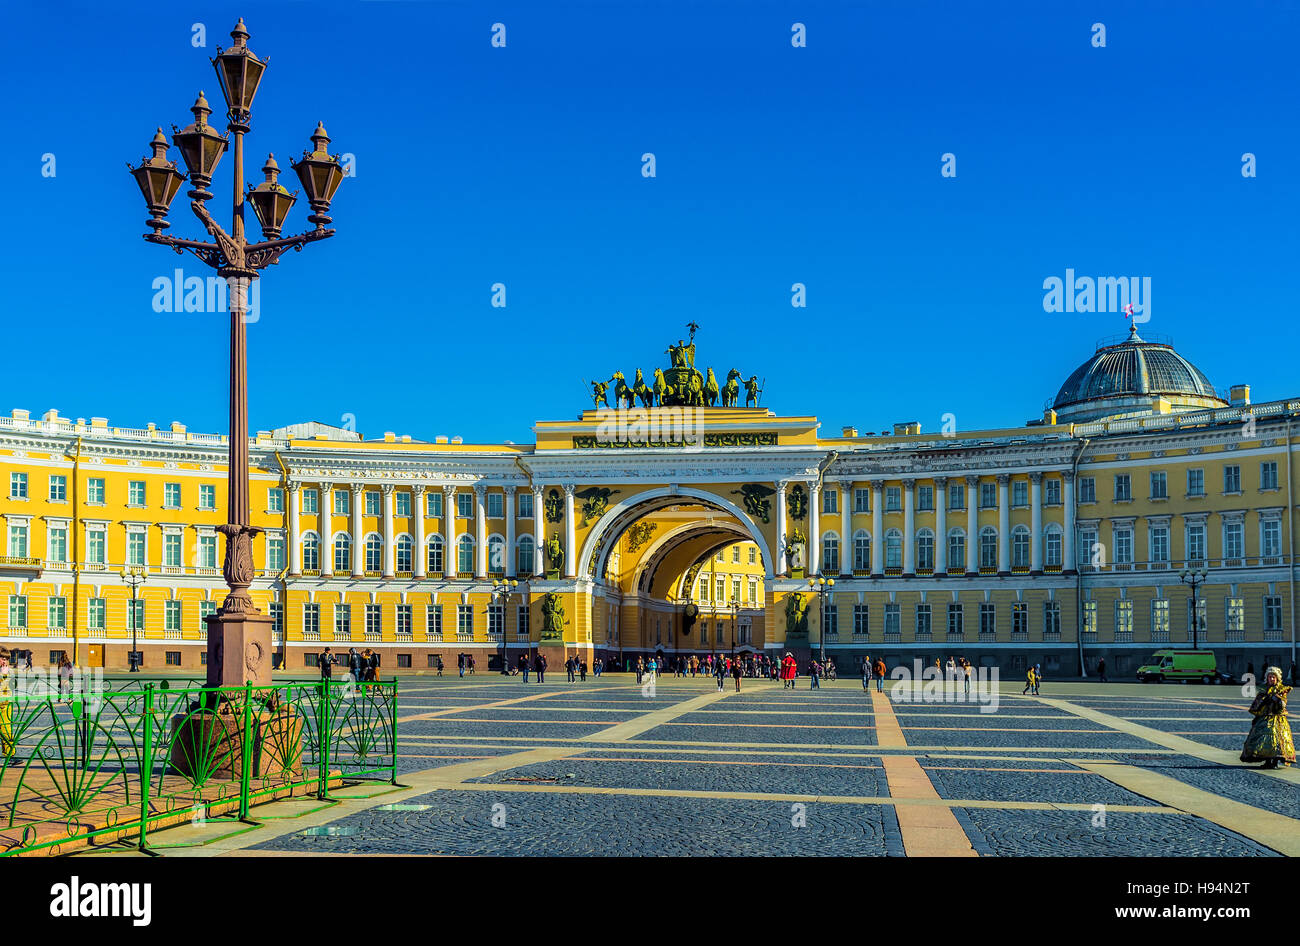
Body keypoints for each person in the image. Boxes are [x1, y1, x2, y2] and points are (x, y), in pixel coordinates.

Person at [1240, 666, 1294, 769]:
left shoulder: (1282, 689)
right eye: (1270, 677)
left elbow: (1283, 705)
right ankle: (1267, 760)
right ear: (1267, 678)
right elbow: (1256, 704)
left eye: (1274, 677)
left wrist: (1277, 700)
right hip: (1264, 717)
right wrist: (1263, 701)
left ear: (1277, 678)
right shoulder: (1263, 689)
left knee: (1278, 739)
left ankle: (1275, 761)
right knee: (1263, 740)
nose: (1272, 679)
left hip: (1277, 719)